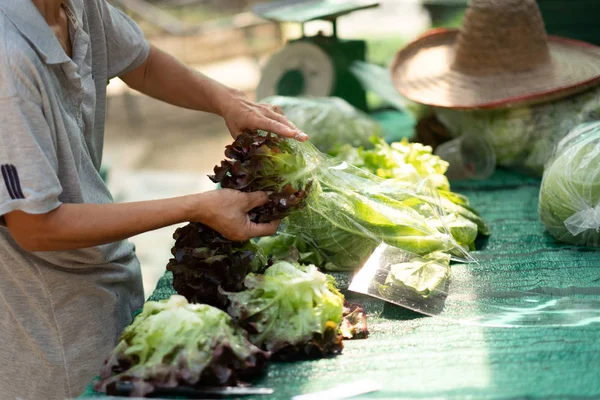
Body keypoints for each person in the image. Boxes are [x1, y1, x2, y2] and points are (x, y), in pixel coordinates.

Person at [0, 0, 308, 398]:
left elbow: (140, 63)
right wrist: (196, 206)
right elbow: (35, 226)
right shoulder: (9, 60)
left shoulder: (75, 6)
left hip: (103, 280)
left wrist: (226, 101)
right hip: (51, 325)